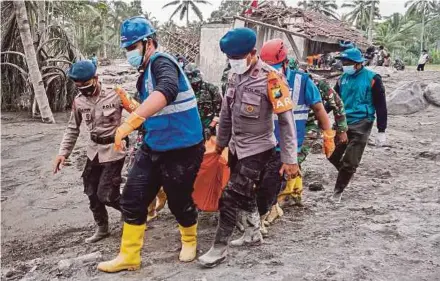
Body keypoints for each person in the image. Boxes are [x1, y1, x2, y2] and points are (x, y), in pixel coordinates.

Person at [97, 16, 205, 273]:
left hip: (182, 147)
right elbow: (150, 109)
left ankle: (189, 239)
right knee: (133, 198)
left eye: (132, 47)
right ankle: (129, 256)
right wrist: (130, 110)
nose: (129, 53)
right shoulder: (143, 74)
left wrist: (129, 124)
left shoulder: (162, 62)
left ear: (148, 43)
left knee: (180, 201)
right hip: (154, 145)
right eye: (126, 48)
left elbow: (166, 91)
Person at [198, 28, 299, 268]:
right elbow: (226, 114)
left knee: (230, 196)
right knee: (245, 193)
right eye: (230, 58)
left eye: (237, 57)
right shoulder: (235, 76)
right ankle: (253, 231)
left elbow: (286, 121)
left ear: (252, 53)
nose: (233, 62)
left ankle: (219, 248)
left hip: (258, 149)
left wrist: (290, 158)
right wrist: (220, 144)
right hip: (236, 147)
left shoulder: (271, 79)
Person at [53, 60, 139, 244]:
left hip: (115, 150)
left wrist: (129, 130)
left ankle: (132, 215)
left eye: (86, 84)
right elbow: (72, 128)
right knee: (91, 191)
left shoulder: (116, 93)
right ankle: (102, 227)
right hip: (94, 152)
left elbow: (138, 113)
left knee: (107, 194)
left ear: (96, 78)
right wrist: (63, 153)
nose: (82, 89)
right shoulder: (79, 101)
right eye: (78, 86)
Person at [259, 39, 335, 224]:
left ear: (285, 63)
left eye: (276, 67)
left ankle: (271, 208)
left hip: (287, 143)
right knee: (262, 180)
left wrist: (328, 134)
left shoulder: (302, 81)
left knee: (274, 179)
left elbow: (319, 109)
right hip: (262, 141)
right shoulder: (258, 79)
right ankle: (275, 205)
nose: (272, 72)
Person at [329, 48, 387, 203]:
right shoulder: (342, 79)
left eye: (347, 62)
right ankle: (347, 173)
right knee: (331, 154)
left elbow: (381, 105)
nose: (344, 65)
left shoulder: (373, 78)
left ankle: (337, 191)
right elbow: (332, 101)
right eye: (343, 62)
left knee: (350, 161)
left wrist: (382, 130)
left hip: (362, 122)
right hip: (342, 122)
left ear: (357, 64)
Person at [184, 63, 222, 140]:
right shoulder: (184, 92)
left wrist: (210, 127)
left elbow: (219, 111)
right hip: (190, 131)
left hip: (208, 130)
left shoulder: (211, 89)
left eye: (195, 82)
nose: (194, 83)